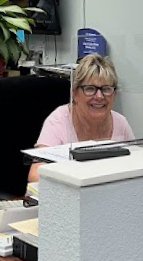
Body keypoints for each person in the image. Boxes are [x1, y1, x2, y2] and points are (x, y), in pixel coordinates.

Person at [28, 54, 135, 182]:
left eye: (106, 89)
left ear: (114, 94)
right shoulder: (58, 121)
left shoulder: (121, 123)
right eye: (90, 89)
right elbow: (36, 176)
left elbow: (136, 167)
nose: (100, 96)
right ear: (75, 94)